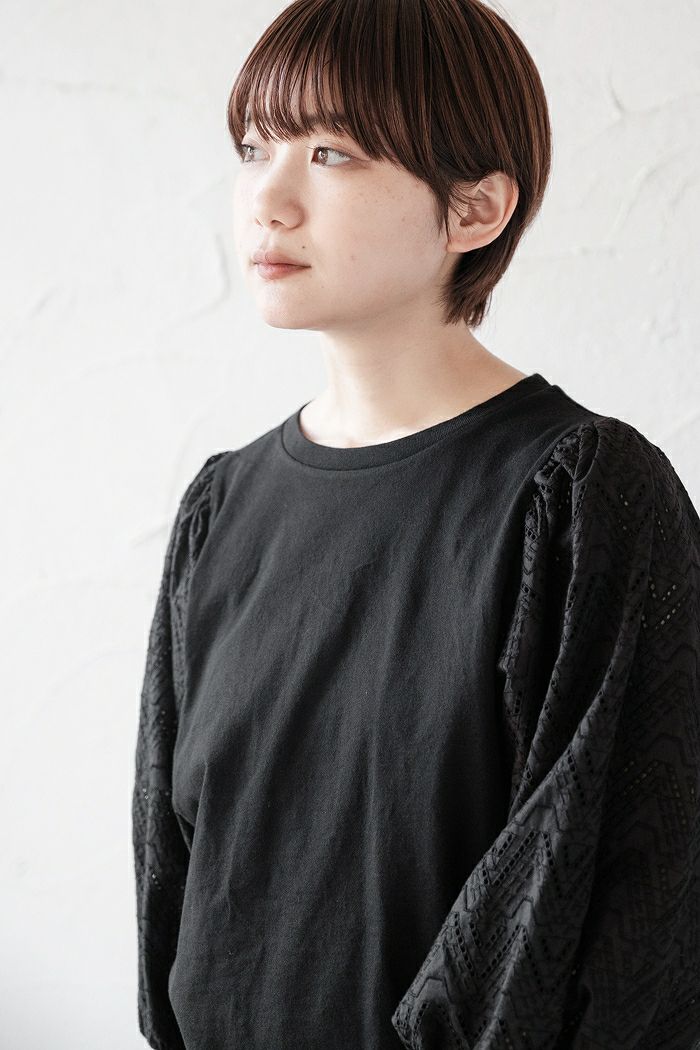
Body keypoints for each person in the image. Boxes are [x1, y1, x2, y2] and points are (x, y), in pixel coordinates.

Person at [131, 1, 700, 1047]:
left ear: (475, 208)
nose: (268, 199)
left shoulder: (581, 499)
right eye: (254, 148)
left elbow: (622, 915)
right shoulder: (221, 506)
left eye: (331, 153)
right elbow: (176, 883)